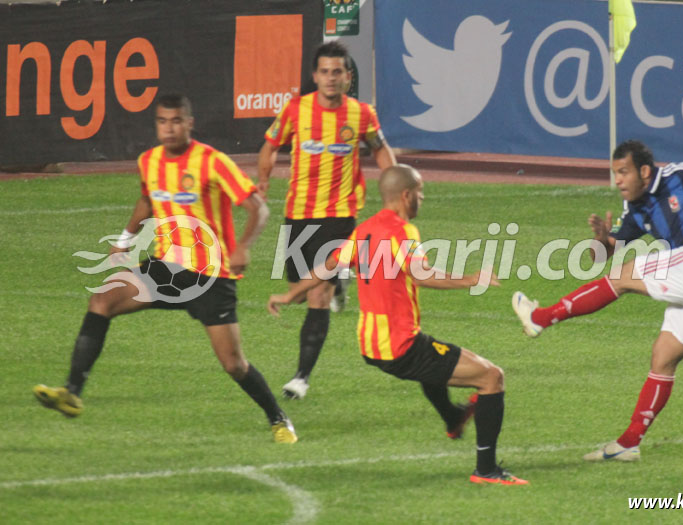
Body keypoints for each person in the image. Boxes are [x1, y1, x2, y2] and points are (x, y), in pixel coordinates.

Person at [34, 93, 298, 444]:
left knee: (233, 364)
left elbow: (258, 209)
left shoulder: (212, 161)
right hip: (165, 269)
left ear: (189, 123)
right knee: (101, 300)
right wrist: (125, 239)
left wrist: (243, 247)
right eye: (162, 122)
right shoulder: (150, 161)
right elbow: (148, 200)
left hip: (210, 276)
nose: (169, 128)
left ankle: (279, 418)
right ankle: (72, 392)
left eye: (176, 121)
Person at [512, 139, 683, 461]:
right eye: (615, 173)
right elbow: (600, 257)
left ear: (644, 171)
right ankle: (628, 443)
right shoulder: (634, 209)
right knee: (663, 359)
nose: (618, 180)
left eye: (623, 172)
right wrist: (600, 239)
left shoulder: (680, 175)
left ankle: (541, 318)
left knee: (623, 276)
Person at [268, 164, 528, 485]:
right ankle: (486, 470)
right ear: (406, 196)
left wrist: (290, 293)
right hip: (399, 346)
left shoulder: (364, 230)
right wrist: (470, 279)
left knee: (434, 355)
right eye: (420, 193)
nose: (422, 199)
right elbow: (421, 275)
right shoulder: (403, 231)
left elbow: (329, 265)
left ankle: (453, 417)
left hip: (371, 344)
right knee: (492, 377)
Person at [257, 41, 396, 400]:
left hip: (339, 216)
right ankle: (342, 279)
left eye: (338, 72)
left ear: (348, 77)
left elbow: (379, 148)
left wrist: (394, 188)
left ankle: (301, 378)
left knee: (318, 295)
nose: (331, 78)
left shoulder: (361, 114)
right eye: (325, 72)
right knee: (299, 292)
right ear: (315, 76)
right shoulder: (295, 110)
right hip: (298, 215)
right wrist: (263, 181)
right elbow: (270, 145)